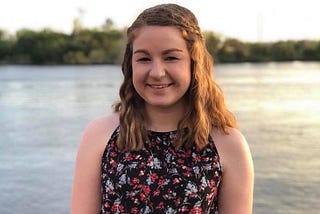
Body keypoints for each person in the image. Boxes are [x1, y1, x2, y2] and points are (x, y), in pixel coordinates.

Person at [71, 3, 254, 214]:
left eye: (171, 57)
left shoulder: (228, 143)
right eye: (144, 58)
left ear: (195, 63)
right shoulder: (100, 134)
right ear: (131, 65)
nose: (157, 72)